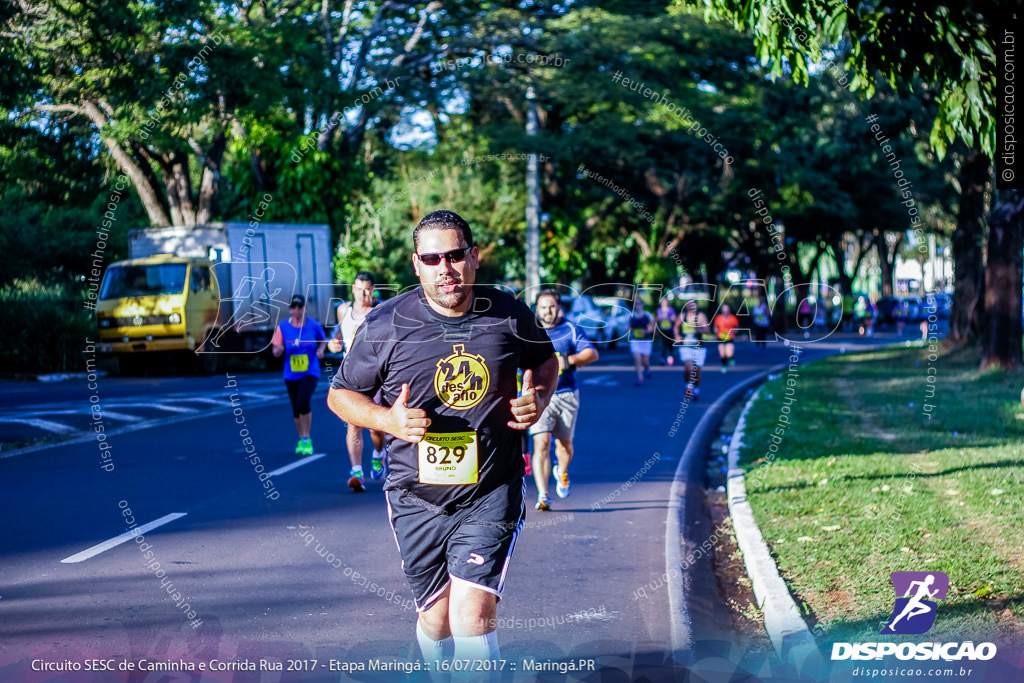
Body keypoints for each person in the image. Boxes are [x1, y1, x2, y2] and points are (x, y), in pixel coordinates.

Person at [326, 210, 558, 675]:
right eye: (432, 258)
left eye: (454, 255)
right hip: (416, 497)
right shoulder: (386, 324)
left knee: (471, 616)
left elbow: (547, 362)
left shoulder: (508, 312)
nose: (444, 268)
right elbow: (339, 395)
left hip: (491, 488)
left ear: (473, 257)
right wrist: (386, 420)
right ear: (417, 265)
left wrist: (537, 401)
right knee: (436, 620)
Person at [530, 289, 599, 511]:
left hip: (566, 393)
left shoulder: (570, 329)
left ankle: (562, 471)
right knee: (541, 443)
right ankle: (542, 495)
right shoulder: (530, 331)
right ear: (537, 309)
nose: (548, 311)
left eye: (552, 306)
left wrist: (567, 361)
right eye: (543, 307)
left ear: (558, 308)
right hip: (539, 395)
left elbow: (592, 353)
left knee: (564, 445)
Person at [328, 272, 387, 492]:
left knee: (375, 429)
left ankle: (379, 455)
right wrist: (333, 343)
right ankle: (356, 472)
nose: (364, 294)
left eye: (368, 289)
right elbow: (338, 334)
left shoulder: (380, 311)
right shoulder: (343, 310)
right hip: (350, 375)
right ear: (353, 288)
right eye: (360, 289)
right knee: (353, 424)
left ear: (373, 290)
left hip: (376, 376)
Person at [271, 294, 327, 456]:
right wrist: (278, 350)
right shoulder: (282, 327)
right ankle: (301, 438)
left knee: (303, 401)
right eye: (294, 307)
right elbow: (276, 348)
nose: (297, 310)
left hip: (310, 370)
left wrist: (320, 350)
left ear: (305, 309)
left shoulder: (313, 325)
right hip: (291, 372)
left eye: (300, 307)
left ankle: (306, 438)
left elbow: (322, 340)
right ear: (290, 309)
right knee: (296, 407)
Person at [673, 300, 709, 401]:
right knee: (688, 369)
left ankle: (696, 389)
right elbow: (676, 327)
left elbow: (707, 330)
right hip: (685, 346)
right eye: (689, 304)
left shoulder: (700, 316)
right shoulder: (682, 316)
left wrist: (698, 328)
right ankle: (688, 386)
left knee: (697, 372)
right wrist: (677, 335)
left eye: (694, 304)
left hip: (699, 347)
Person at [629, 299, 656, 386]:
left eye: (639, 304)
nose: (638, 306)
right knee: (637, 358)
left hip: (645, 340)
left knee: (645, 361)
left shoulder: (647, 315)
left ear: (642, 305)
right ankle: (640, 378)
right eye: (636, 304)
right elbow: (629, 327)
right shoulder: (632, 315)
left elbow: (652, 328)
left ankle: (647, 368)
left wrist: (646, 332)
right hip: (635, 340)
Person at [712, 303, 739, 371]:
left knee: (729, 353)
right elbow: (715, 327)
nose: (725, 310)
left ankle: (731, 358)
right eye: (724, 309)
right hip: (721, 337)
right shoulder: (718, 318)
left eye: (726, 309)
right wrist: (716, 330)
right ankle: (724, 366)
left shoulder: (733, 318)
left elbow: (737, 328)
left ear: (729, 310)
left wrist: (732, 331)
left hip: (729, 338)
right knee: (722, 353)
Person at [655, 298, 678, 365]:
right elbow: (657, 319)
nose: (664, 303)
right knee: (663, 345)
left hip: (670, 330)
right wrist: (660, 319)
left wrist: (668, 318)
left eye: (665, 302)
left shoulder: (671, 310)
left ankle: (670, 357)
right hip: (662, 330)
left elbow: (674, 319)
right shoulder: (659, 310)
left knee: (670, 344)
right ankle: (663, 358)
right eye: (663, 302)